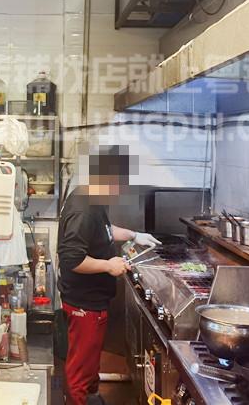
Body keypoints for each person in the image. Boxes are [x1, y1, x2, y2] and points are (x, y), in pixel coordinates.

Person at [57, 146, 160, 405]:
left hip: (93, 301)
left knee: (89, 362)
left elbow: (104, 229)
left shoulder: (91, 198)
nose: (121, 190)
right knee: (80, 371)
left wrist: (134, 235)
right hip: (84, 303)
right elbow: (72, 259)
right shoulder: (83, 208)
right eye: (119, 184)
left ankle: (90, 398)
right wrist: (108, 265)